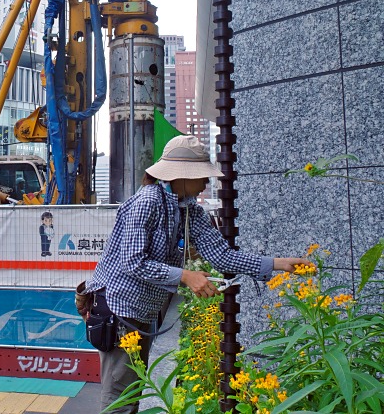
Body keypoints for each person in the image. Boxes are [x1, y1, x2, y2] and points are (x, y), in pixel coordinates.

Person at [85, 136, 310, 413]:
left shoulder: (190, 209)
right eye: (201, 175)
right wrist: (186, 276)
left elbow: (221, 255)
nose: (205, 183)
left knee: (133, 393)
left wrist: (276, 263)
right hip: (119, 310)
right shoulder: (147, 202)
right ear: (180, 175)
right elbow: (132, 262)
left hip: (141, 312)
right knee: (120, 398)